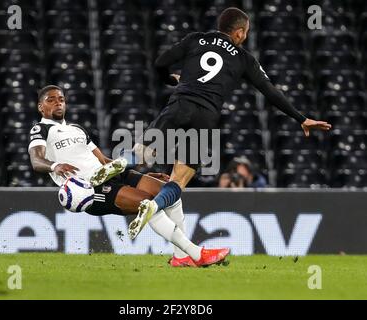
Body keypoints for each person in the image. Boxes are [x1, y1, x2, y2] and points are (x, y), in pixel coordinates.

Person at [124, 7, 332, 239]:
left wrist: (172, 80)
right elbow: (270, 91)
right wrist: (301, 118)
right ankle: (155, 207)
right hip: (206, 117)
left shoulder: (196, 39)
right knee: (178, 180)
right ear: (240, 33)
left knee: (141, 154)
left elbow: (160, 63)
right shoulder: (244, 58)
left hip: (179, 105)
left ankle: (116, 165)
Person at [28, 85, 229, 267]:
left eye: (61, 99)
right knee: (148, 204)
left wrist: (140, 173)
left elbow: (105, 162)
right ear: (40, 107)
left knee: (170, 193)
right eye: (51, 99)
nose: (58, 103)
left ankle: (181, 257)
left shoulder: (77, 129)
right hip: (90, 189)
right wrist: (55, 165)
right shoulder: (41, 129)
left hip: (111, 174)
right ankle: (196, 253)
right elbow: (36, 161)